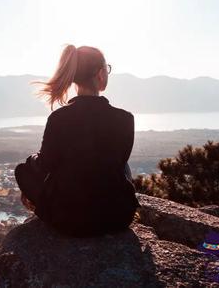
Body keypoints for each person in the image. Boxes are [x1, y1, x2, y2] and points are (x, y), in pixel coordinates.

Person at [14, 44, 140, 237]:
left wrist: (32, 159)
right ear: (100, 74)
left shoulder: (59, 118)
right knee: (121, 165)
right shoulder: (125, 119)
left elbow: (46, 164)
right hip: (118, 216)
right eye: (107, 69)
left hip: (68, 218)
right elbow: (119, 163)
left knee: (22, 171)